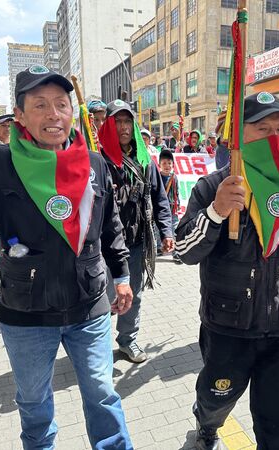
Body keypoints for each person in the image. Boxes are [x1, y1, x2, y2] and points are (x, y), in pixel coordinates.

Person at [0, 66, 135, 449]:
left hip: (90, 308)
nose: (53, 114)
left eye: (61, 104)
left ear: (71, 111)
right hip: (26, 314)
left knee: (104, 397)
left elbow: (109, 228)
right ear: (19, 115)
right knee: (35, 406)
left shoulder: (94, 163)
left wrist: (121, 276)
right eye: (39, 105)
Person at [176, 92, 279, 450]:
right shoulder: (213, 186)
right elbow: (184, 251)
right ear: (238, 133)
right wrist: (216, 213)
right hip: (227, 327)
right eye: (261, 128)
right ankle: (206, 426)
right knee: (215, 400)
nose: (273, 137)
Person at [98, 99, 174, 363]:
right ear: (108, 124)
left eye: (127, 121)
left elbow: (159, 198)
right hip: (104, 245)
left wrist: (167, 232)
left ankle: (127, 341)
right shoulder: (98, 160)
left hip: (137, 241)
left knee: (133, 296)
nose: (123, 127)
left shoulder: (145, 159)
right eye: (117, 121)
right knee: (103, 296)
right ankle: (95, 347)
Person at [159, 149, 182, 264]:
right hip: (160, 210)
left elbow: (177, 192)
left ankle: (176, 252)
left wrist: (178, 205)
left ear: (173, 164)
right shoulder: (157, 177)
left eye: (169, 163)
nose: (167, 166)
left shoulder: (175, 177)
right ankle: (158, 247)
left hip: (172, 208)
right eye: (164, 163)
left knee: (174, 230)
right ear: (160, 165)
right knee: (157, 229)